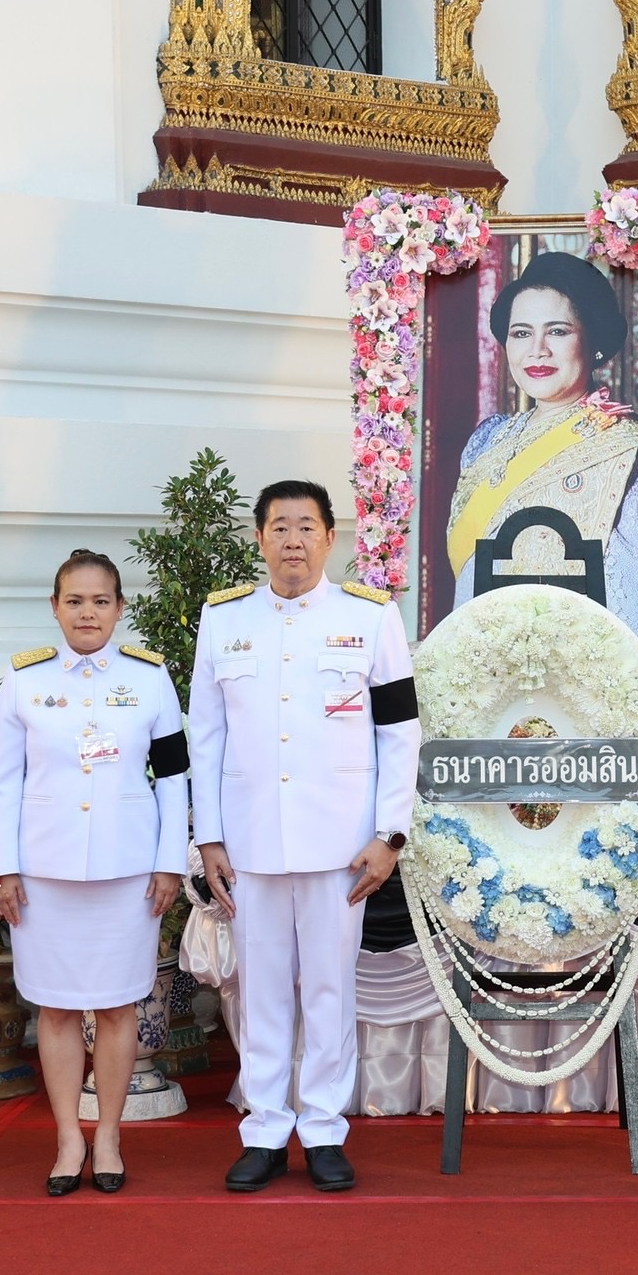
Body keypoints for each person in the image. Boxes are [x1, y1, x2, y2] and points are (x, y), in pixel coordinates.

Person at [191, 482, 419, 1193]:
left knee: (328, 989)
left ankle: (322, 1129)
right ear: (260, 538)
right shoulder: (224, 619)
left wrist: (390, 834)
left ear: (329, 538)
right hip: (252, 842)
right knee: (260, 992)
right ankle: (263, 1130)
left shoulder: (371, 617)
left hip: (341, 845)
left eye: (307, 527)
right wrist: (209, 837)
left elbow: (400, 731)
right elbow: (206, 736)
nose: (293, 540)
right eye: (280, 527)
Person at [0, 549, 190, 1196]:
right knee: (54, 1007)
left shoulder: (150, 679)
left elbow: (173, 777)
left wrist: (169, 862)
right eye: (74, 600)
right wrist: (2, 868)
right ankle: (67, 1137)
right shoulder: (23, 681)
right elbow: (1, 784)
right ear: (54, 607)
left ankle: (107, 1135)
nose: (87, 613)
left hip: (127, 873)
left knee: (117, 1005)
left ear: (120, 608)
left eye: (101, 601)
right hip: (43, 874)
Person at [444, 251, 638, 643]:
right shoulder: (487, 441)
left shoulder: (630, 451)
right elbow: (466, 589)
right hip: (481, 662)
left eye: (557, 331)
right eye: (521, 333)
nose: (537, 350)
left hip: (582, 667)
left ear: (592, 340)